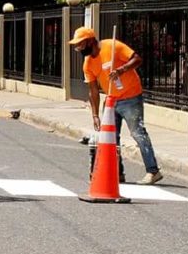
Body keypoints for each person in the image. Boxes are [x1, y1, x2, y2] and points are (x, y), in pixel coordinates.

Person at [69, 27, 162, 185]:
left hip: (131, 96)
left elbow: (137, 59)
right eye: (76, 45)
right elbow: (93, 91)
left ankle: (153, 171)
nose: (78, 48)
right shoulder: (88, 63)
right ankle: (118, 173)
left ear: (90, 41)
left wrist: (122, 69)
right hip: (111, 100)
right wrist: (95, 115)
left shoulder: (112, 46)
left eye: (80, 44)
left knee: (138, 133)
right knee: (111, 138)